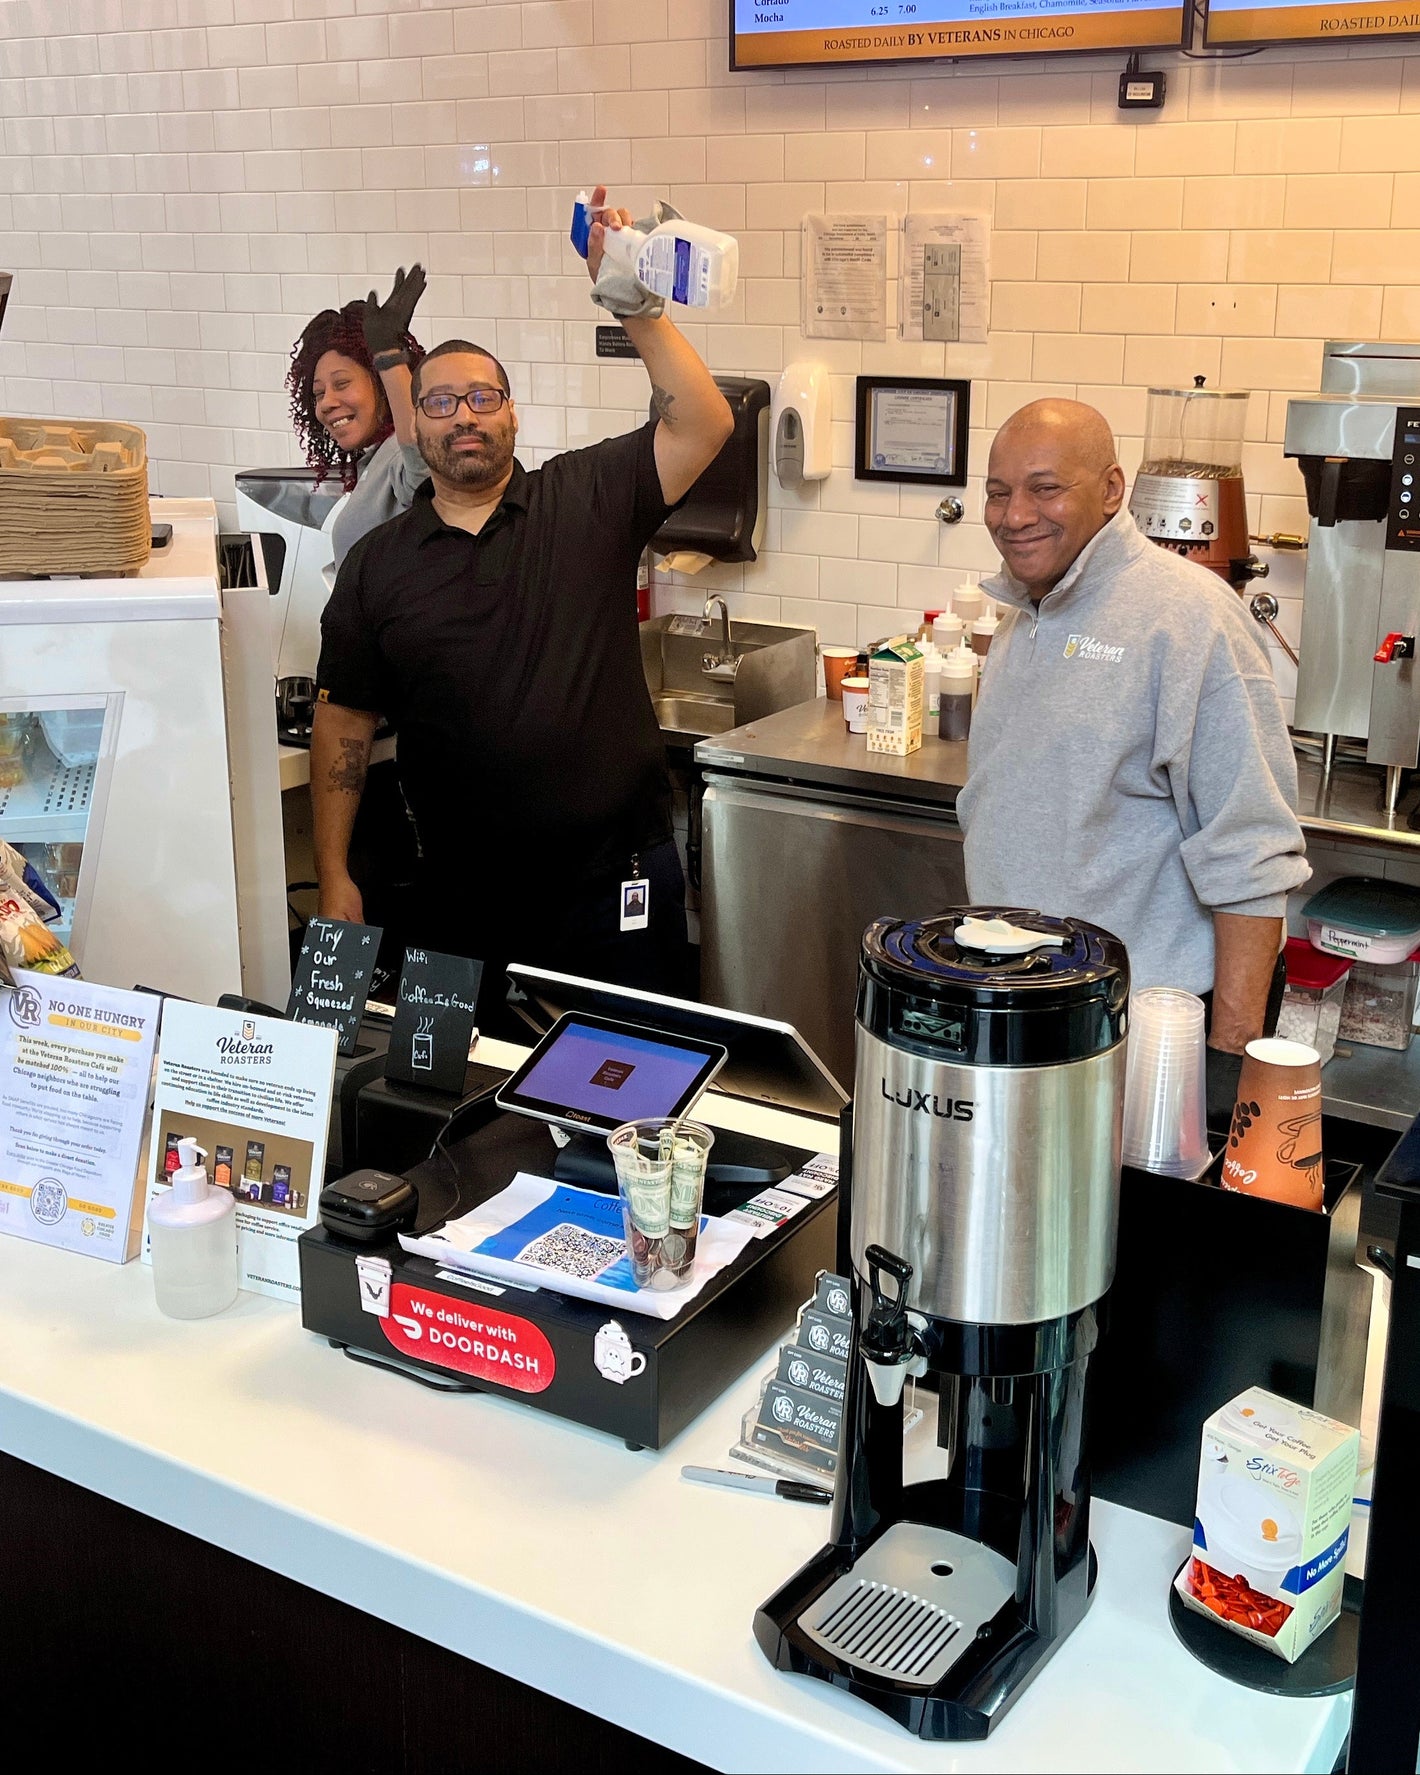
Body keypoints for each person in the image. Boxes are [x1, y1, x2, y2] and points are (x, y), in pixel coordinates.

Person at [310, 187, 734, 1026]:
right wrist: (333, 873)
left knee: (631, 1107)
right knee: (465, 1107)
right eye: (440, 402)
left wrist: (633, 303)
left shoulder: (585, 497)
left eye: (482, 398)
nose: (463, 416)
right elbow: (344, 725)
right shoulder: (377, 565)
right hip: (457, 897)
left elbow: (703, 423)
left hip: (616, 886)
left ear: (512, 413)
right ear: (418, 429)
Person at [956, 398, 1309, 1112]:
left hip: (1141, 1038)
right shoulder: (1025, 612)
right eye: (998, 491)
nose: (1015, 514)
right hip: (1020, 1014)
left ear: (1113, 489)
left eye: (1045, 488)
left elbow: (1251, 855)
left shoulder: (1191, 617)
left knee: (1134, 1224)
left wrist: (1225, 1070)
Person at [285, 266, 429, 571]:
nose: (326, 404)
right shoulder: (374, 462)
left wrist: (389, 355)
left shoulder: (400, 454)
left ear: (380, 382)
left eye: (341, 384)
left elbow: (425, 468)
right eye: (318, 393)